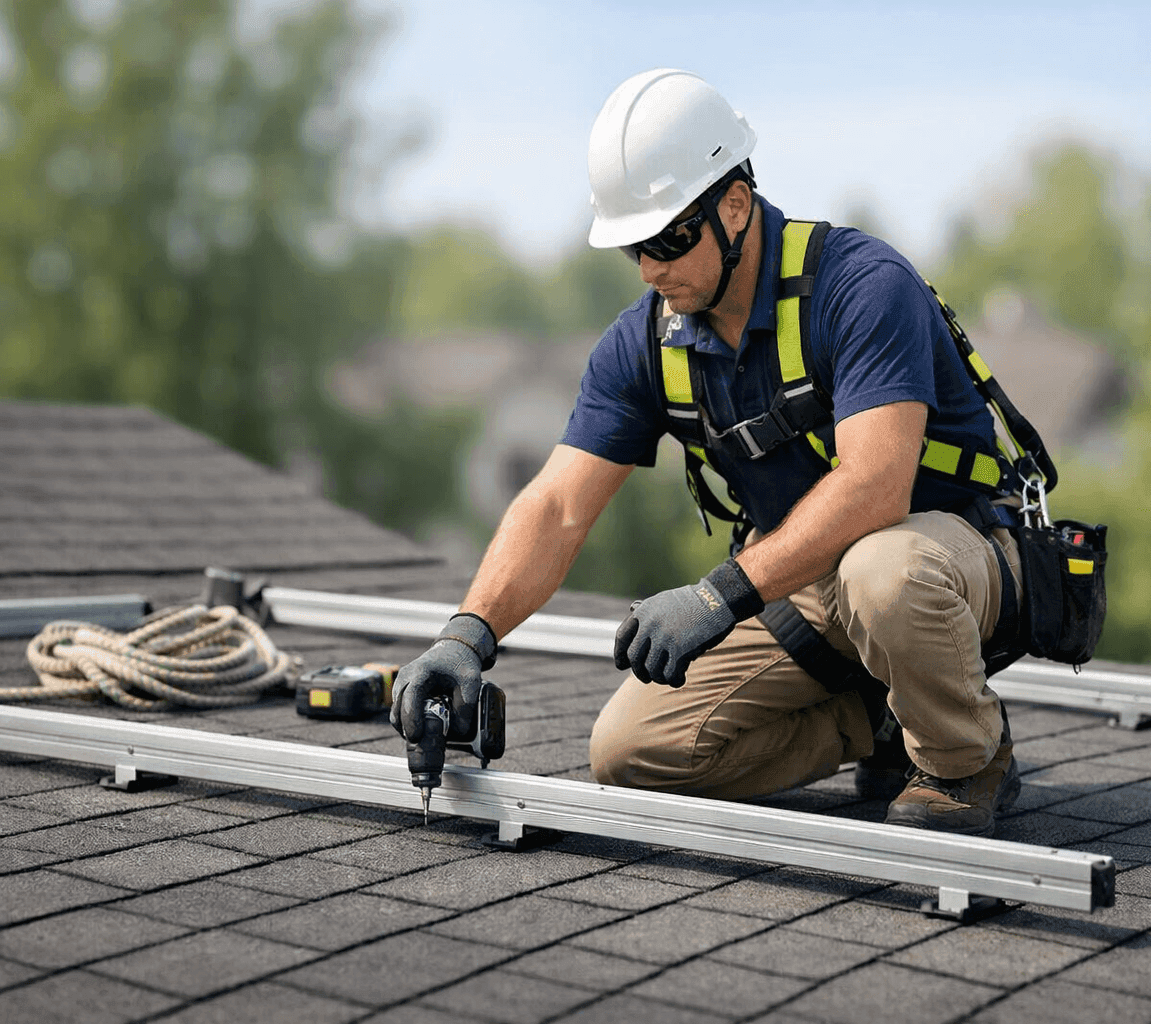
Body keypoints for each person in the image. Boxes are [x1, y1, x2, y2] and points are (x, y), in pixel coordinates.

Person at [391, 68, 1029, 836]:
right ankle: (883, 721)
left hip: (952, 563)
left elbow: (875, 488)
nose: (653, 268)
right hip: (806, 579)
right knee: (634, 753)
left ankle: (966, 762)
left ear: (735, 205)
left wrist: (715, 597)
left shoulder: (860, 285)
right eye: (634, 248)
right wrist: (468, 634)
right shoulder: (646, 344)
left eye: (669, 238)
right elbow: (557, 506)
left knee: (882, 571)